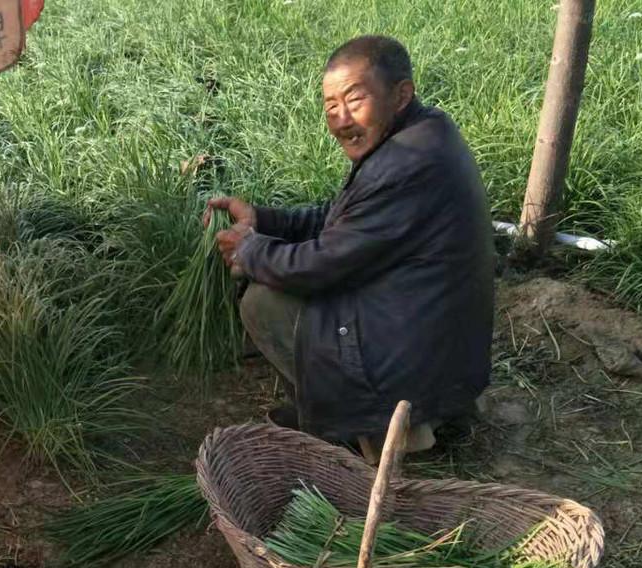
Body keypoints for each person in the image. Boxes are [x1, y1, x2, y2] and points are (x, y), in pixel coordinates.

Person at [208, 35, 494, 457]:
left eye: (355, 100)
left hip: (413, 353)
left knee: (263, 299)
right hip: (430, 340)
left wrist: (250, 251)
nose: (341, 120)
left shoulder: (406, 164)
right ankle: (352, 409)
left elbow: (321, 264)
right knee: (274, 281)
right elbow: (344, 220)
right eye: (331, 106)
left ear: (401, 95)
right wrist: (264, 220)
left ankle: (383, 427)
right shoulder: (421, 134)